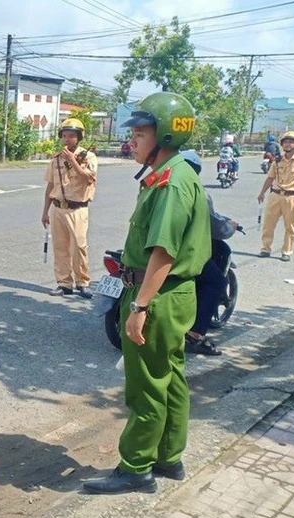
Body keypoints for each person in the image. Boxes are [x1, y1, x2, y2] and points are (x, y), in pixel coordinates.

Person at [83, 92, 211, 495]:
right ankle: (168, 458)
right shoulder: (168, 174)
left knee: (146, 386)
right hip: (173, 296)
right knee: (170, 378)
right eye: (133, 133)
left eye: (140, 133)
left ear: (167, 136)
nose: (131, 140)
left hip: (156, 295)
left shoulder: (171, 182)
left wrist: (139, 306)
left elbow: (163, 253)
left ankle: (136, 467)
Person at [180, 150, 239, 356]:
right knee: (217, 282)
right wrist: (230, 227)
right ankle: (195, 336)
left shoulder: (154, 185)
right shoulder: (198, 192)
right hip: (182, 252)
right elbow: (215, 227)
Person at [40, 118, 98, 299]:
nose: (67, 139)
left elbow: (88, 178)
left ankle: (83, 282)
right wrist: (45, 211)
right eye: (64, 136)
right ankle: (64, 283)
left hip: (77, 209)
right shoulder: (56, 159)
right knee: (60, 247)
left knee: (79, 246)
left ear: (79, 137)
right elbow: (50, 186)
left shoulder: (88, 157)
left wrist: (72, 160)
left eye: (72, 136)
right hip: (58, 208)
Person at [256, 131, 294, 262]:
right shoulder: (278, 160)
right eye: (285, 142)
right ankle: (265, 248)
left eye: (291, 142)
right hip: (275, 195)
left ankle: (287, 251)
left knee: (290, 226)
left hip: (291, 197)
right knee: (268, 224)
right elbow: (270, 177)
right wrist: (262, 193)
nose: (288, 144)